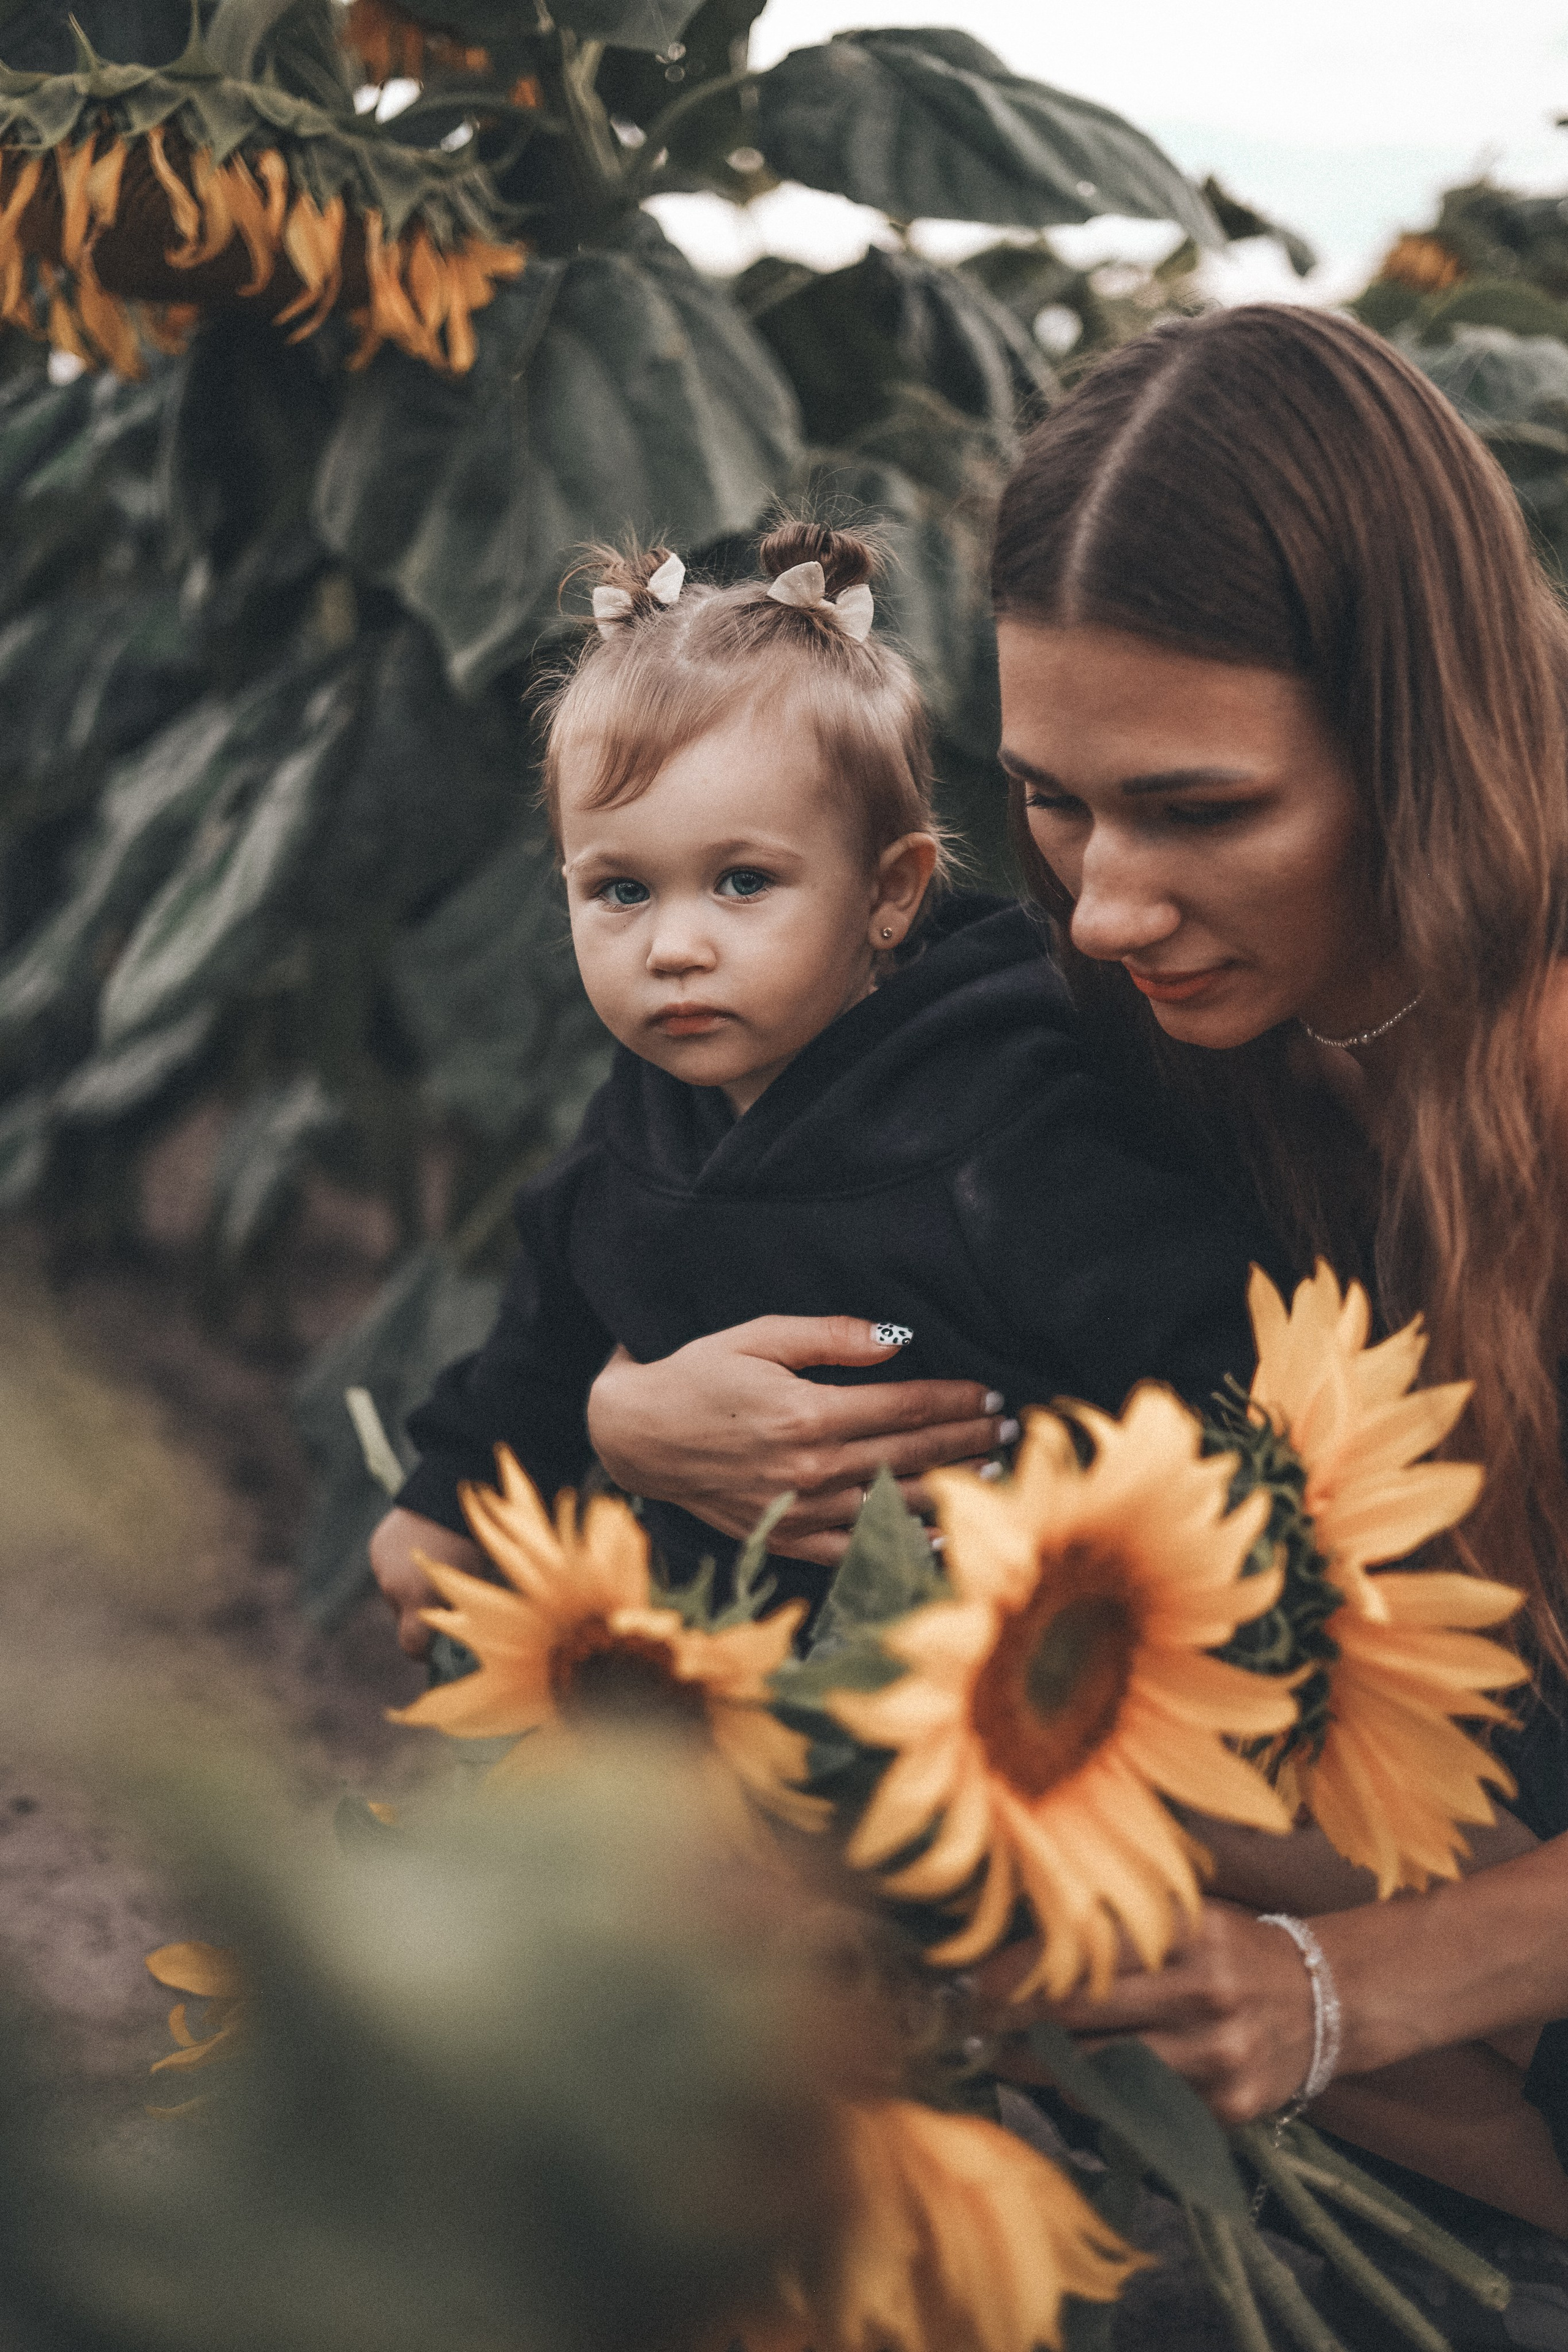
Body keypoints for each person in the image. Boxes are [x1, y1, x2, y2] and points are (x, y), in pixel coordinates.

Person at [571, 309, 1568, 2258]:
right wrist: (632, 1409)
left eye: (1202, 809)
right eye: (1056, 799)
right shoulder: (1141, 1019)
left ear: (1418, 744)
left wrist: (1335, 1990)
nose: (1103, 906)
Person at [371, 519, 1278, 1649]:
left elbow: (1214, 1347)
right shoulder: (644, 1119)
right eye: (620, 891)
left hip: (992, 1669)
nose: (674, 947)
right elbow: (548, 1333)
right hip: (722, 1657)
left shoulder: (1000, 1127)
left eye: (742, 881)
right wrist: (450, 1500)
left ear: (889, 892)